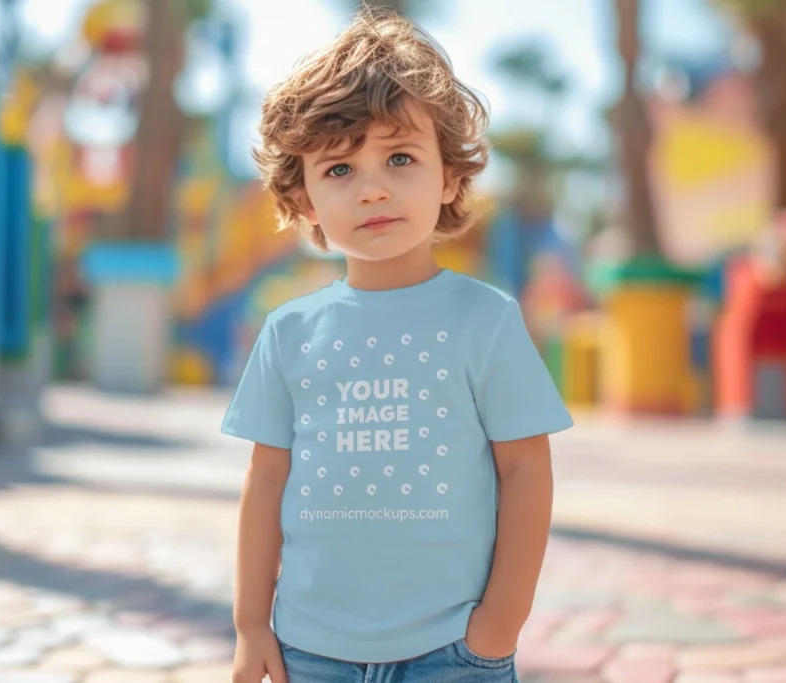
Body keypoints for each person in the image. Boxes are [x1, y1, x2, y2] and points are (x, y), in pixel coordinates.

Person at [222, 7, 573, 682]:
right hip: (309, 649)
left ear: (448, 177)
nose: (373, 186)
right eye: (339, 170)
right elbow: (265, 481)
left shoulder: (487, 318)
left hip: (455, 649)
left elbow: (526, 472)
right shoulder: (288, 332)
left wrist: (500, 624)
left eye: (401, 157)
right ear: (303, 202)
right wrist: (250, 623)